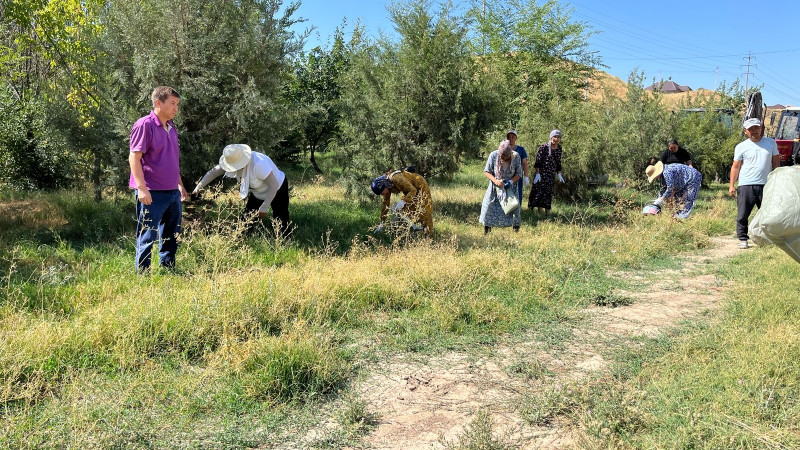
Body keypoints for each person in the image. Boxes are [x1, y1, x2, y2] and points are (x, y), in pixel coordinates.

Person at [129, 86, 187, 272]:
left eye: (177, 104)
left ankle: (168, 269)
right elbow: (134, 157)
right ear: (157, 103)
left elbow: (172, 159)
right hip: (152, 191)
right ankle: (143, 274)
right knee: (147, 234)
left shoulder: (171, 127)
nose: (175, 108)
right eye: (172, 103)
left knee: (171, 234)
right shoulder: (144, 125)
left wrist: (180, 185)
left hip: (172, 192)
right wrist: (142, 188)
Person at [192, 144, 290, 236]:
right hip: (257, 191)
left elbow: (274, 185)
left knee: (280, 217)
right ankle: (243, 237)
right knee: (246, 221)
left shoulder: (259, 163)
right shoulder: (232, 159)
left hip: (278, 188)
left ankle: (284, 241)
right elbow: (213, 173)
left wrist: (264, 206)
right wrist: (198, 187)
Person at [729, 118, 780, 249]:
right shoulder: (741, 147)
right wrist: (731, 185)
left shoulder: (771, 143)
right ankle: (743, 239)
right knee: (743, 214)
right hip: (746, 184)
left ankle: (768, 238)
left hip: (767, 184)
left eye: (756, 128)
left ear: (761, 128)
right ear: (746, 131)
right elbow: (735, 167)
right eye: (751, 129)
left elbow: (775, 162)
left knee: (768, 214)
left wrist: (776, 179)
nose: (754, 131)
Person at [370, 168, 433, 237]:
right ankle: (413, 231)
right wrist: (382, 223)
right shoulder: (387, 187)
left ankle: (429, 236)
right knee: (406, 210)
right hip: (409, 190)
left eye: (382, 193)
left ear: (384, 186)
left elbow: (413, 191)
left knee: (425, 210)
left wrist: (403, 201)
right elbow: (386, 205)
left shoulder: (396, 178)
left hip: (420, 185)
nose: (383, 195)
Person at [479, 140, 523, 234]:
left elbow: (519, 174)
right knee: (489, 208)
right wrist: (495, 181)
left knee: (514, 209)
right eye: (502, 156)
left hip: (510, 188)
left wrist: (510, 182)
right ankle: (487, 231)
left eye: (506, 156)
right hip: (495, 188)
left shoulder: (516, 156)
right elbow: (487, 171)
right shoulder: (493, 155)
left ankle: (516, 231)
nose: (504, 158)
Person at [528, 129, 565, 216]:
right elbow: (538, 161)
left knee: (548, 193)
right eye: (555, 137)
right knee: (540, 192)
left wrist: (559, 173)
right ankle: (540, 213)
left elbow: (558, 162)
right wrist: (537, 174)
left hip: (551, 175)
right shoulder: (543, 147)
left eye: (558, 137)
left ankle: (547, 213)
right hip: (541, 174)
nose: (557, 139)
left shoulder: (559, 148)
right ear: (551, 137)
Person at [506, 129, 529, 202]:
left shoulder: (521, 149)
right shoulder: (504, 149)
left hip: (517, 175)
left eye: (513, 137)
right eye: (509, 137)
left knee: (517, 193)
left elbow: (524, 163)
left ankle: (517, 210)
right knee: (506, 193)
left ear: (516, 138)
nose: (511, 139)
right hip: (506, 175)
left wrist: (526, 176)